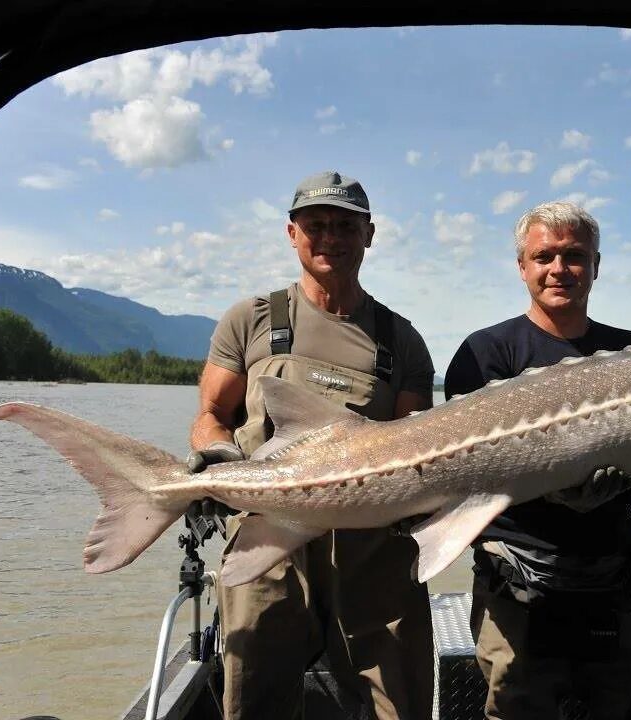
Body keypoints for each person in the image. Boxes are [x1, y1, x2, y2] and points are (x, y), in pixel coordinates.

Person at [445, 200, 631, 720]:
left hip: (613, 581)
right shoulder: (487, 353)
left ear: (595, 265)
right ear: (523, 266)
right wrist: (553, 493)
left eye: (574, 256)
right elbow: (465, 474)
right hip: (520, 586)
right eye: (544, 256)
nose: (559, 269)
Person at [187, 170, 436, 720]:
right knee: (255, 703)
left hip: (374, 554)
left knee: (401, 705)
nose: (331, 237)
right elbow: (211, 415)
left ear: (368, 235)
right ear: (291, 233)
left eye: (346, 225)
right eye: (316, 224)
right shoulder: (251, 319)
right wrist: (215, 455)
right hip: (266, 540)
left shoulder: (402, 340)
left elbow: (416, 450)